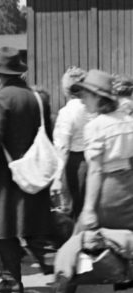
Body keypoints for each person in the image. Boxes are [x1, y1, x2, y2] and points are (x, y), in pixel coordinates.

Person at [0, 47, 54, 293]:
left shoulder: (2, 99)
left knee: (1, 229)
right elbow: (47, 136)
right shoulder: (38, 98)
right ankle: (62, 269)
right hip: (35, 170)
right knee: (33, 227)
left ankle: (12, 280)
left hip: (7, 175)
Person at [54, 70, 133, 293]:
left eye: (86, 95)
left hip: (106, 191)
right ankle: (119, 282)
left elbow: (96, 171)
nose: (82, 100)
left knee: (80, 242)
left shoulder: (96, 127)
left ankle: (67, 285)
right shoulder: (128, 122)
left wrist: (88, 208)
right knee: (121, 244)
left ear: (99, 98)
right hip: (127, 188)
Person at [52, 67, 93, 220]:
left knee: (71, 210)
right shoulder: (93, 108)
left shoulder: (67, 112)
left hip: (74, 164)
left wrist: (57, 177)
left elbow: (63, 147)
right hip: (93, 160)